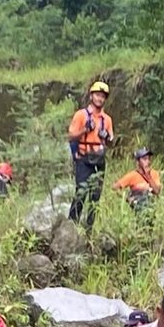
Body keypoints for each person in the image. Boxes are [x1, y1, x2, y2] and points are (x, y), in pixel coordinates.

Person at [67, 81, 115, 227]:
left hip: (99, 160)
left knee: (95, 197)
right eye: (98, 95)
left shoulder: (107, 120)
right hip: (83, 158)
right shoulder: (81, 115)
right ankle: (71, 225)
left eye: (103, 96)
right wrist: (85, 130)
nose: (100, 99)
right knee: (81, 193)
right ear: (91, 96)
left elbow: (111, 142)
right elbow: (71, 136)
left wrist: (106, 136)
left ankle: (89, 229)